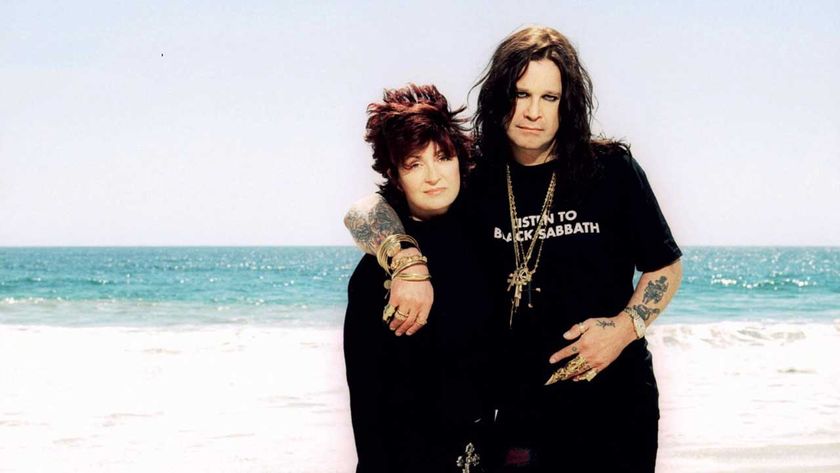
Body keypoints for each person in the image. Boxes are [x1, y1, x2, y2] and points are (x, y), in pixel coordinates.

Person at [344, 26, 683, 472]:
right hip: (517, 418)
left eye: (549, 98)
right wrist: (407, 264)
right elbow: (367, 209)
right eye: (521, 94)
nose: (533, 113)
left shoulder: (611, 171)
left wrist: (624, 329)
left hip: (615, 407)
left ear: (568, 104)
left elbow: (665, 266)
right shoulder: (476, 175)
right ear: (500, 95)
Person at [343, 84, 498, 473]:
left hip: (484, 455)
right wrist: (406, 262)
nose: (433, 176)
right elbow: (368, 406)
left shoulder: (484, 234)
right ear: (395, 176)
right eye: (414, 164)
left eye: (443, 158)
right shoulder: (379, 273)